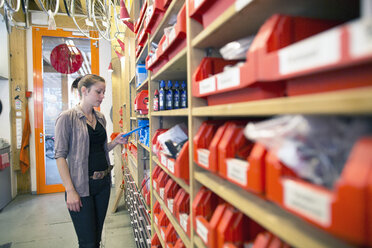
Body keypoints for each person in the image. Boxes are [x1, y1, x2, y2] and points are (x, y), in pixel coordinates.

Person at [54, 74, 128, 248]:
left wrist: (114, 143)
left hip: (102, 185)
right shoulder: (67, 118)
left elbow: (99, 149)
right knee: (87, 242)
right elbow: (60, 156)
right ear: (84, 91)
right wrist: (70, 190)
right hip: (80, 187)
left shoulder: (100, 117)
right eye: (99, 92)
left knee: (96, 238)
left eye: (103, 92)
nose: (102, 96)